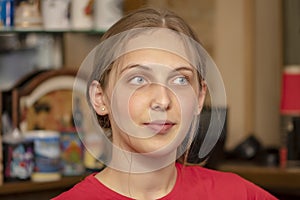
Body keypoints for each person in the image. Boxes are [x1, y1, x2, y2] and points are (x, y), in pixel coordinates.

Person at [53, 7, 277, 200]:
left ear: (199, 99)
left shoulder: (237, 194)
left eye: (180, 80)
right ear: (100, 98)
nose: (163, 100)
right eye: (138, 79)